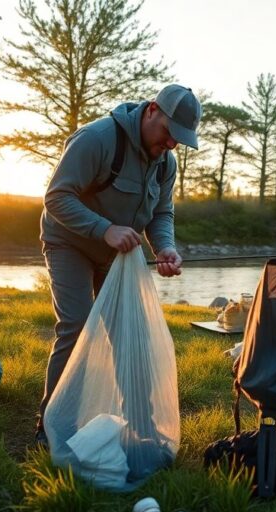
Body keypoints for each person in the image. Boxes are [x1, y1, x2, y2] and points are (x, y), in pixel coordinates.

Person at [36, 84, 202, 446]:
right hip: (70, 243)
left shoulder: (165, 165)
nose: (171, 145)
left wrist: (166, 247)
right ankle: (52, 426)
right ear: (152, 110)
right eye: (169, 134)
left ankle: (141, 425)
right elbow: (56, 198)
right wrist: (104, 229)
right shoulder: (96, 139)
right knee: (77, 325)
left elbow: (161, 213)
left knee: (132, 334)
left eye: (180, 140)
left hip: (117, 253)